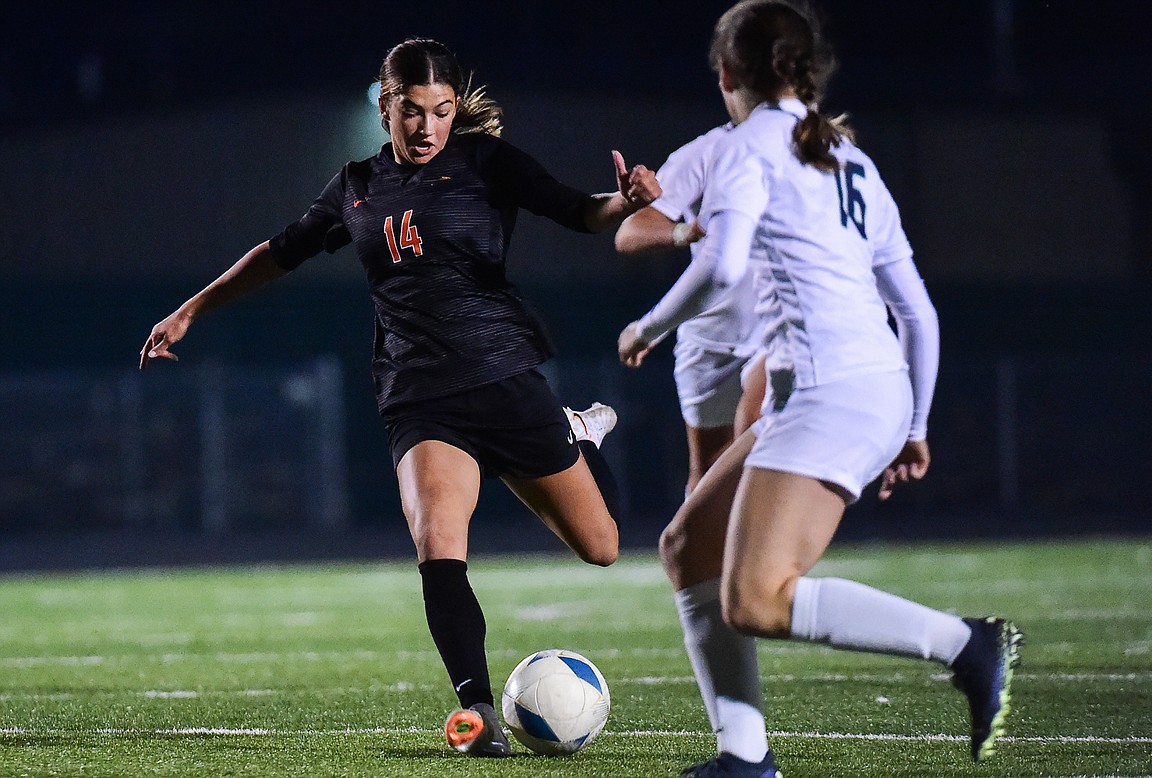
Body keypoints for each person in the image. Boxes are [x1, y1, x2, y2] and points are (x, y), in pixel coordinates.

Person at [139, 38, 661, 758]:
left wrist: (622, 203)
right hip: (420, 396)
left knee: (602, 548)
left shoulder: (485, 163)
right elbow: (279, 251)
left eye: (441, 112)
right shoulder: (355, 184)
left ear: (455, 111)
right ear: (385, 107)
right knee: (438, 542)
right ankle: (476, 710)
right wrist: (191, 309)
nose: (426, 128)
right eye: (411, 111)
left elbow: (578, 211)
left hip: (505, 380)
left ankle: (574, 434)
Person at [618, 3, 1022, 775]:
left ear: (728, 75)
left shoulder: (747, 150)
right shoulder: (853, 161)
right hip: (862, 389)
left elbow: (724, 265)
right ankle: (744, 756)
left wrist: (647, 328)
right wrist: (915, 425)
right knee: (687, 548)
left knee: (757, 599)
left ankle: (968, 642)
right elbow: (919, 314)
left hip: (830, 393)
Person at [614, 124, 767, 496]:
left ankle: (760, 550)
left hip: (776, 332)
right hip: (710, 335)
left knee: (760, 453)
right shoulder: (709, 150)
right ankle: (697, 551)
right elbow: (630, 233)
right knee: (710, 480)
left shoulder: (814, 146)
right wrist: (683, 232)